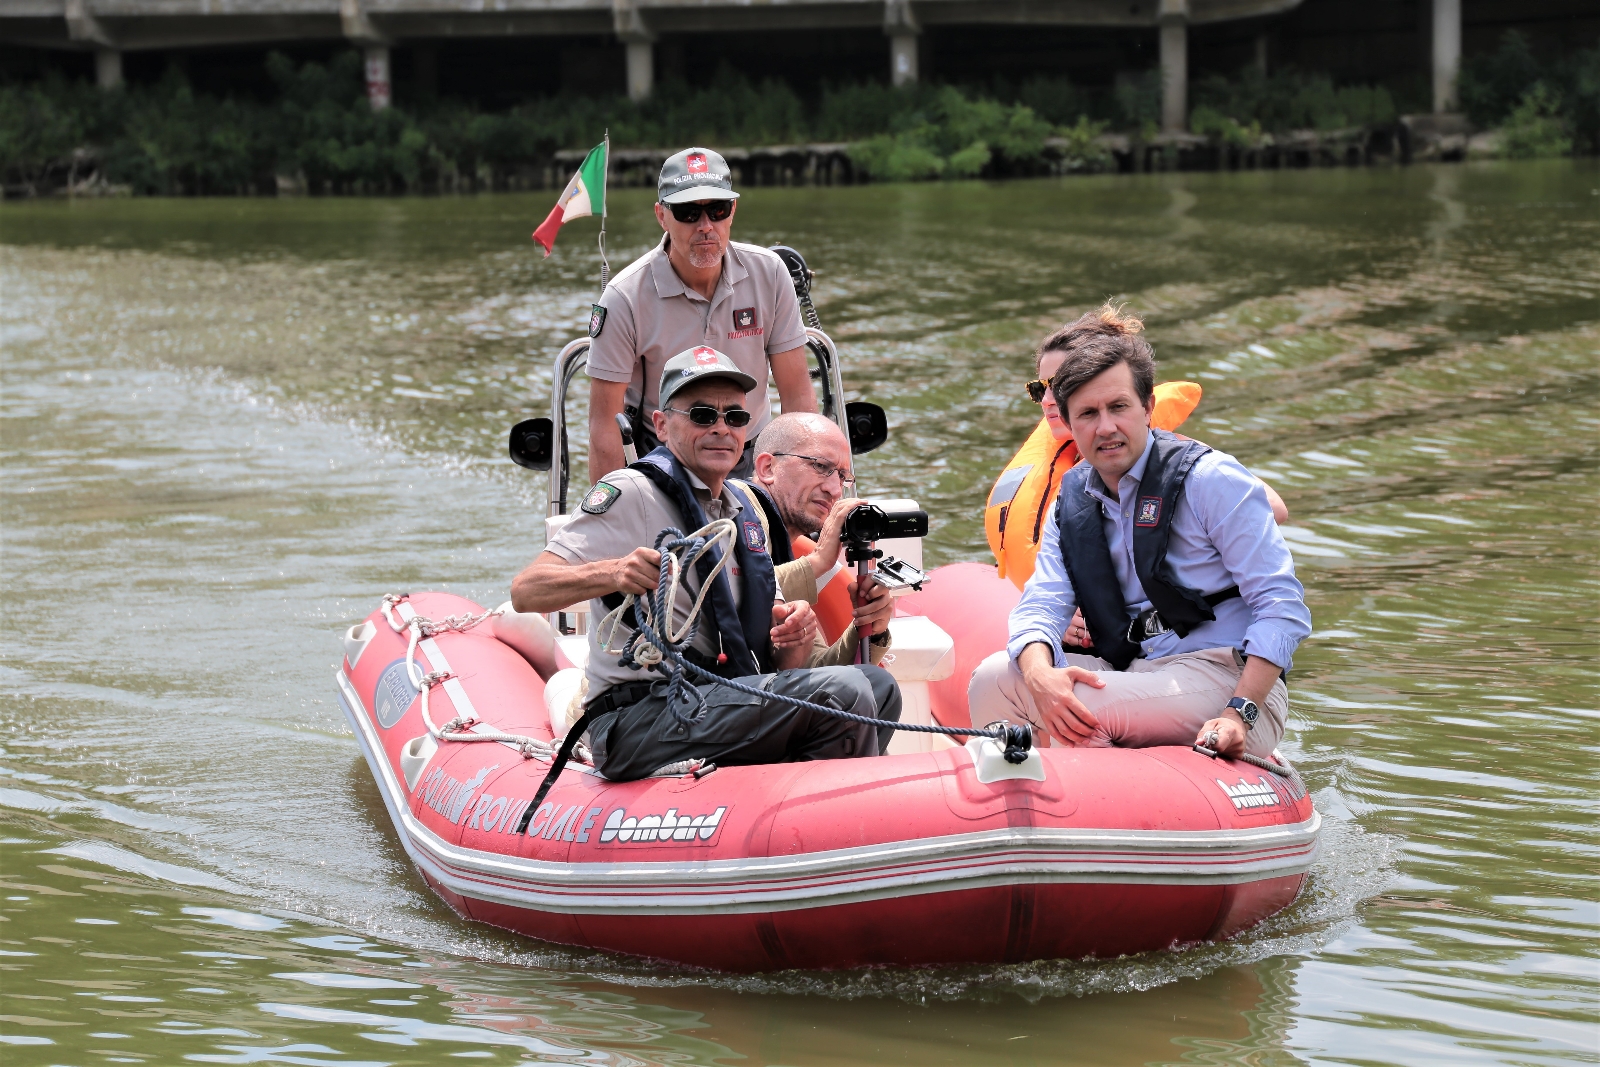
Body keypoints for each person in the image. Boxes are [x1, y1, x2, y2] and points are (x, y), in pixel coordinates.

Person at [511, 346, 900, 781]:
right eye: (702, 415)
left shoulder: (742, 513)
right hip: (640, 714)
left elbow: (778, 666)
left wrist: (792, 637)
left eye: (735, 417)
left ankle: (787, 816)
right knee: (843, 692)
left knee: (878, 687)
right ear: (661, 425)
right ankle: (819, 818)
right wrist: (612, 573)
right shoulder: (632, 492)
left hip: (718, 701)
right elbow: (527, 590)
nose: (721, 428)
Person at [966, 318, 1311, 760]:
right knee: (993, 679)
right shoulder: (1071, 501)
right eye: (1088, 413)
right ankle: (1032, 815)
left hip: (1228, 682)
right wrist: (1037, 673)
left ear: (1148, 407)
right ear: (1068, 421)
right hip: (1134, 668)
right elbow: (1043, 603)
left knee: (1083, 705)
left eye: (1119, 407)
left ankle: (1094, 815)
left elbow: (1282, 607)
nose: (1105, 427)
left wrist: (1237, 712)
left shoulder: (1209, 479)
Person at [987, 306, 1288, 594]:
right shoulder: (1067, 476)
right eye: (1040, 388)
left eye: (1061, 384)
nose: (1048, 399)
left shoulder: (1169, 454)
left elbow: (1273, 507)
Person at [585, 146, 817, 484]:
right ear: (661, 216)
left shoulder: (770, 274)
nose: (706, 226)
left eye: (717, 210)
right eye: (688, 212)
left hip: (753, 452)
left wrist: (799, 483)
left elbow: (797, 395)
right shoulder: (623, 298)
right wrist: (610, 519)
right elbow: (605, 424)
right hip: (662, 455)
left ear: (733, 211)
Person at [751, 412, 896, 662]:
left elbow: (818, 668)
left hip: (756, 692)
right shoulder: (736, 509)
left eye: (841, 476)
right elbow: (730, 585)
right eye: (821, 466)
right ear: (768, 468)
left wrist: (871, 626)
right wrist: (817, 562)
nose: (834, 490)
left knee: (874, 681)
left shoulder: (786, 551)